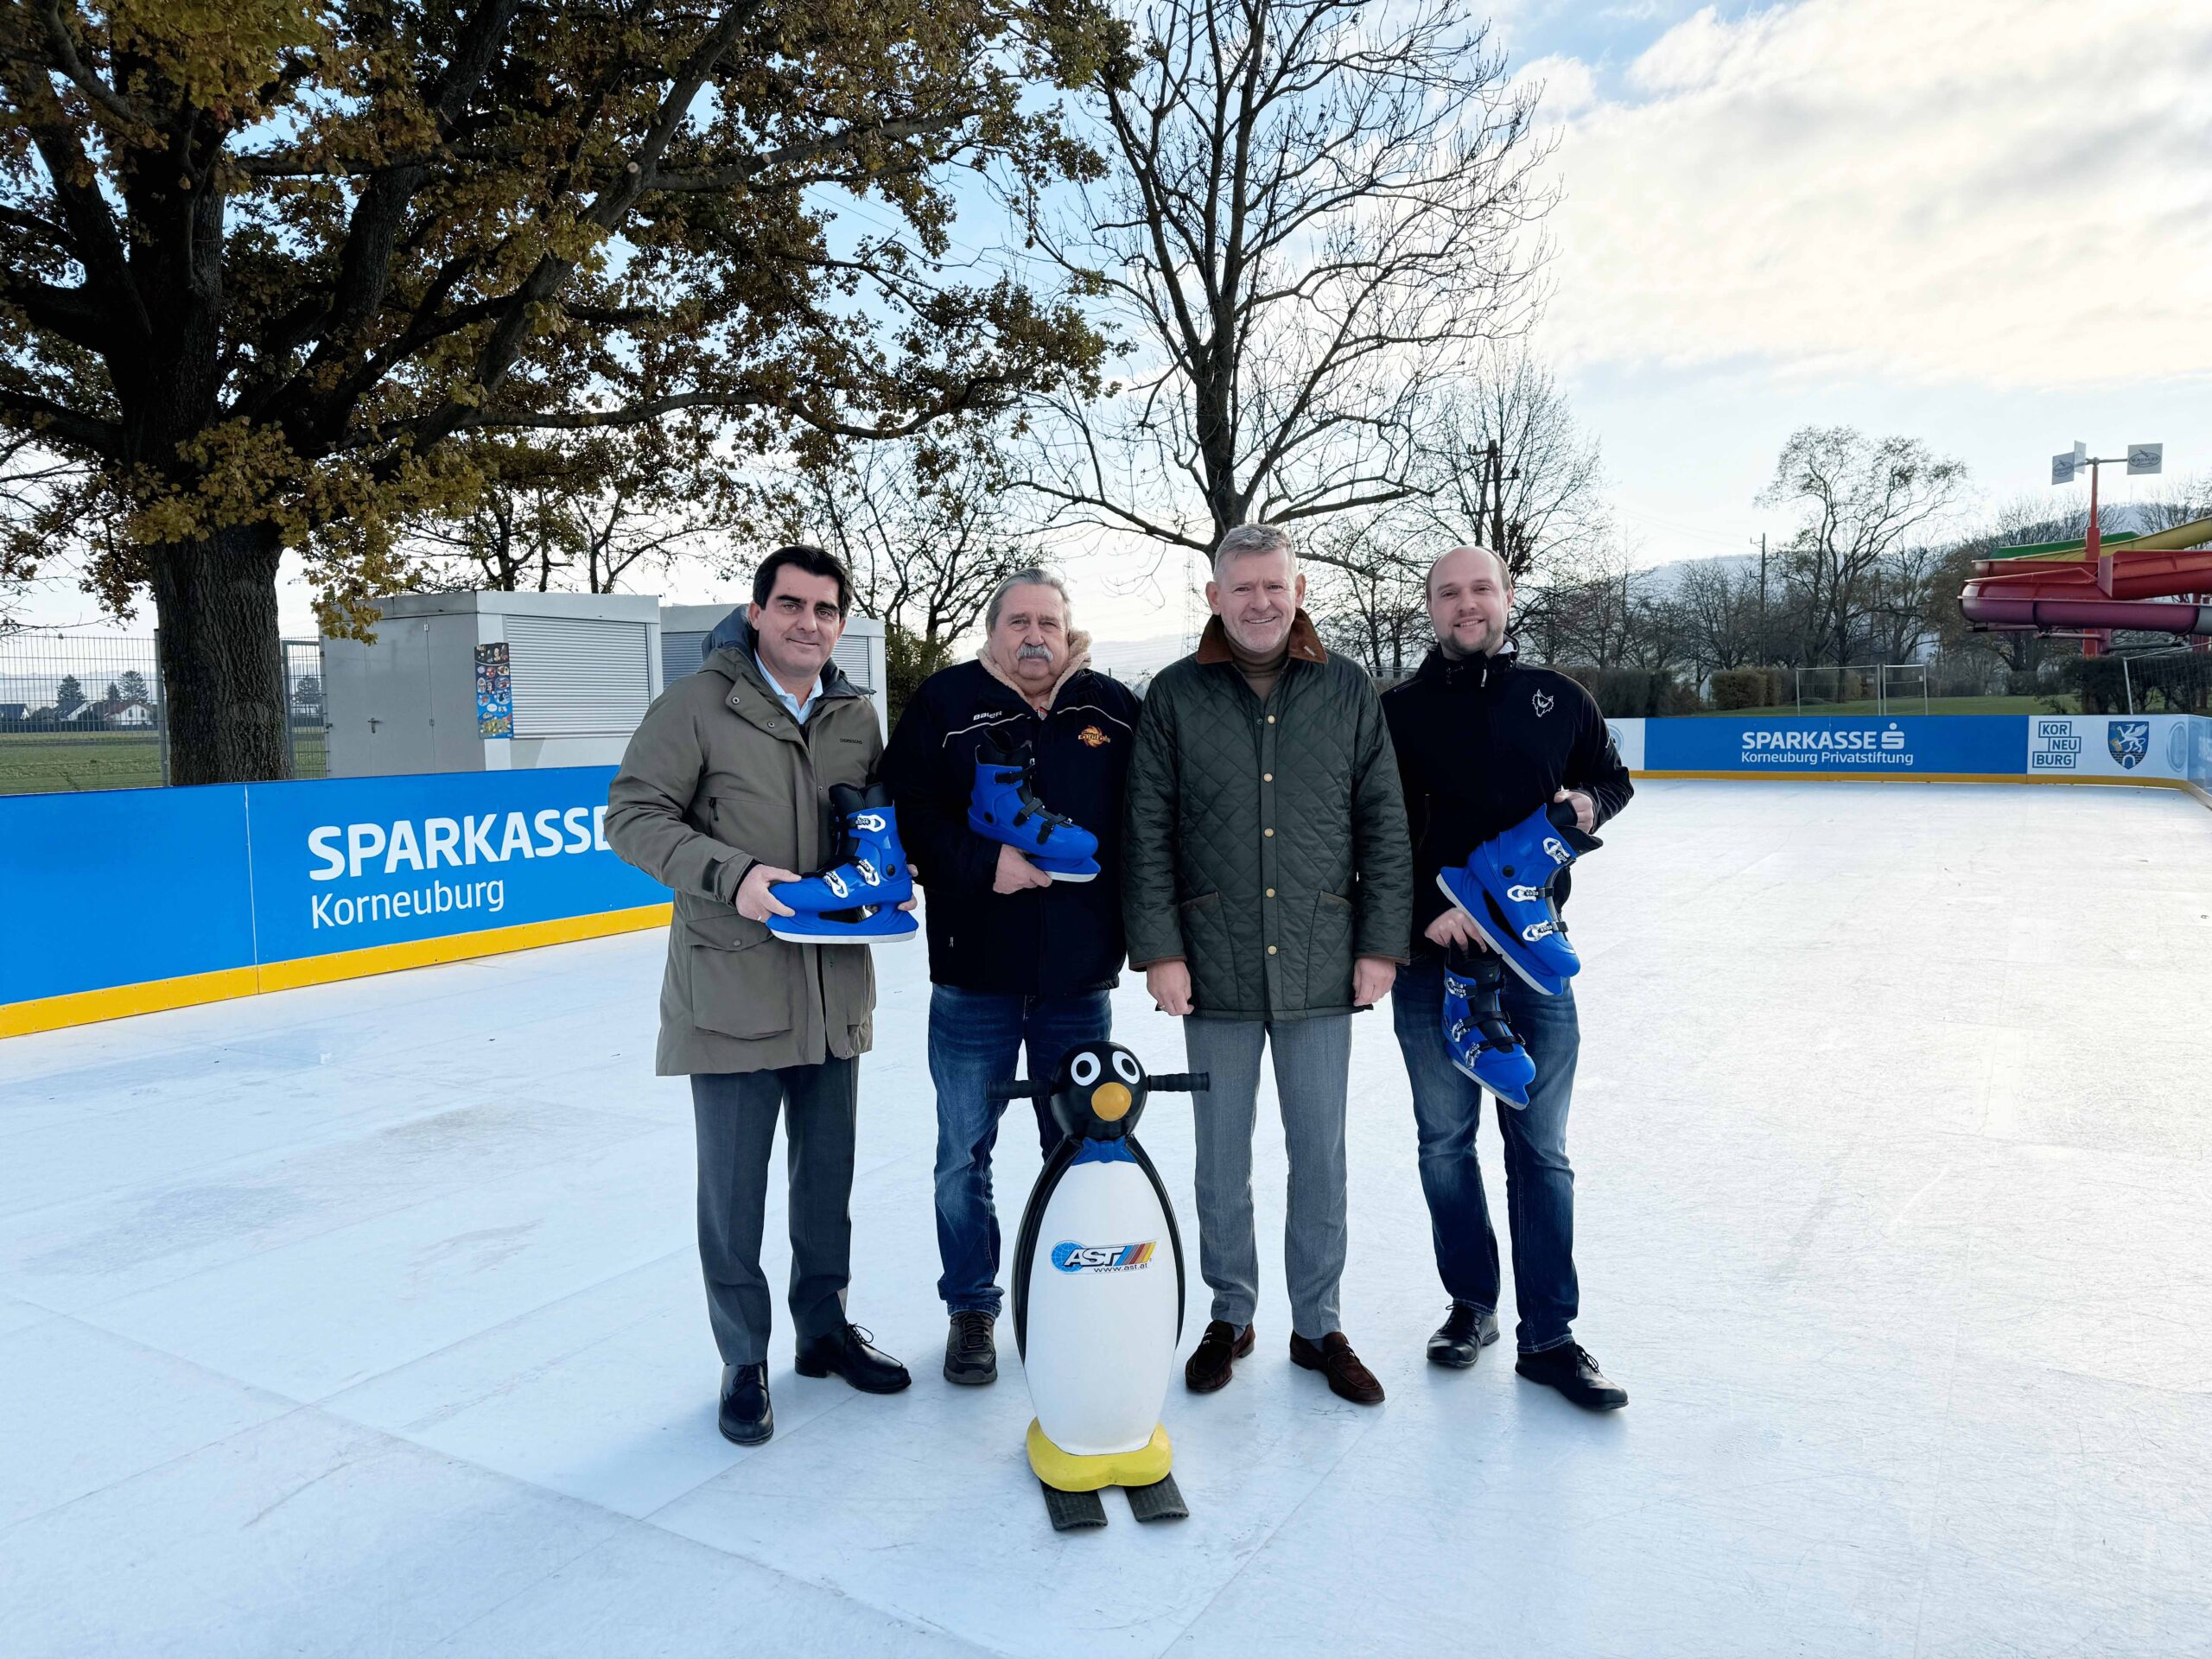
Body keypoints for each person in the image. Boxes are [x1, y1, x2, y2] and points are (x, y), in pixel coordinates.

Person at [606, 543, 912, 1448]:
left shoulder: (856, 716)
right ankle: (744, 1359)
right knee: (732, 1197)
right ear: (755, 612)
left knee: (828, 1184)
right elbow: (630, 815)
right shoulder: (697, 706)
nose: (807, 623)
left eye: (825, 609)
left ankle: (823, 1331)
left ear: (841, 622)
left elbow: (880, 826)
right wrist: (729, 873)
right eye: (790, 605)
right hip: (732, 986)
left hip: (832, 987)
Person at [1122, 524, 1412, 1406]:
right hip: (1212, 967)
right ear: (1213, 596)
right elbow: (1147, 833)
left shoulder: (1347, 690)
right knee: (1219, 1158)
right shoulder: (1173, 696)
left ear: (1298, 590)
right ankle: (1230, 1311)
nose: (1259, 602)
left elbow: (1383, 824)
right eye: (1241, 588)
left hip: (1325, 963)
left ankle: (1318, 1323)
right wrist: (1161, 952)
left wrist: (1378, 944)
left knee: (1319, 1156)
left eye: (1273, 587)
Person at [1382, 543, 1635, 1409]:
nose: (1466, 605)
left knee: (1541, 1152)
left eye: (1479, 589)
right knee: (1445, 1145)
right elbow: (1365, 833)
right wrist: (1428, 906)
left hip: (1533, 959)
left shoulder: (1558, 700)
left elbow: (1612, 778)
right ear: (1431, 607)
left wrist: (1586, 806)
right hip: (1431, 961)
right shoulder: (1395, 712)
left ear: (1507, 596)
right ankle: (1471, 1306)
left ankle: (1550, 1338)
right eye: (1448, 593)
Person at [879, 569, 1141, 1386]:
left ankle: (1072, 1296)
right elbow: (905, 810)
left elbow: (1149, 821)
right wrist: (981, 864)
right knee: (965, 1151)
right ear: (992, 631)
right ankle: (972, 1307)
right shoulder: (945, 704)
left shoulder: (1111, 709)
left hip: (1077, 977)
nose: (1035, 636)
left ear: (1070, 632)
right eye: (1019, 621)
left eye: (1050, 623)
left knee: (1081, 1147)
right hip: (973, 972)